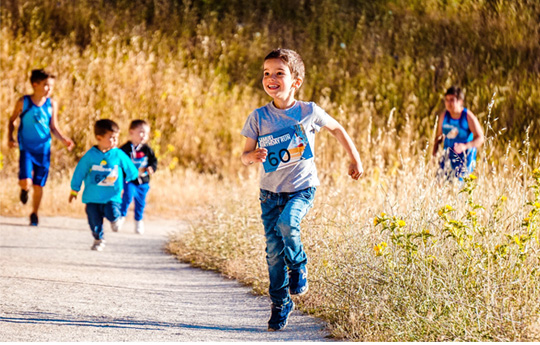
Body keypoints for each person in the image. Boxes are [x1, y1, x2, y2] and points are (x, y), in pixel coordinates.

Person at [240, 48, 363, 331]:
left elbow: (337, 129)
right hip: (269, 194)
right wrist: (253, 156)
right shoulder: (258, 117)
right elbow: (244, 155)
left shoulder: (308, 111)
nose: (271, 78)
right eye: (266, 73)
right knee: (272, 252)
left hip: (302, 189)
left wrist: (354, 158)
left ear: (295, 81)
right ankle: (281, 302)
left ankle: (298, 265)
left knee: (288, 224)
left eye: (279, 73)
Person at [7, 69, 74, 226]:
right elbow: (12, 121)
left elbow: (53, 126)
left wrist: (64, 139)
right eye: (46, 85)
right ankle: (24, 190)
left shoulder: (51, 104)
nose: (49, 89)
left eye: (51, 86)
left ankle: (34, 213)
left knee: (39, 184)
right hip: (26, 148)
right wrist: (10, 137)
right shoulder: (24, 102)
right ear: (35, 84)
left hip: (43, 150)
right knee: (26, 181)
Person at [69, 119, 138, 251]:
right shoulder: (90, 156)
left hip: (112, 196)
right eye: (111, 138)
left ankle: (116, 219)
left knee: (112, 212)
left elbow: (130, 167)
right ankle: (98, 239)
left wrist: (131, 176)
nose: (115, 141)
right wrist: (74, 190)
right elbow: (80, 172)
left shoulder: (118, 154)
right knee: (94, 221)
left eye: (116, 138)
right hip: (92, 197)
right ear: (99, 138)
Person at [432, 86, 484, 180]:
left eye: (452, 100)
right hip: (447, 155)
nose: (449, 103)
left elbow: (480, 138)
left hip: (464, 158)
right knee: (439, 182)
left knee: (458, 187)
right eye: (446, 100)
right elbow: (438, 137)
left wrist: (465, 146)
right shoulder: (444, 116)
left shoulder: (467, 116)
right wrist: (434, 155)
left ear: (460, 101)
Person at [116, 119, 158, 235]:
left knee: (141, 202)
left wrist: (151, 168)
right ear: (131, 132)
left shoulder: (147, 149)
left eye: (146, 133)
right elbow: (118, 160)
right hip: (129, 180)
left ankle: (138, 221)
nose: (143, 136)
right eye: (141, 132)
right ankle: (121, 217)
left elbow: (153, 161)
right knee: (127, 197)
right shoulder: (125, 149)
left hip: (143, 181)